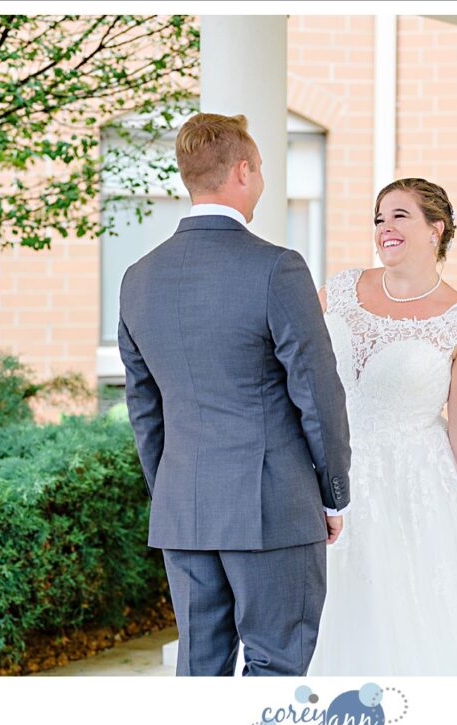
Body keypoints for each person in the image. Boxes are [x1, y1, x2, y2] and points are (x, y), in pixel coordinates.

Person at [117, 112, 352, 676]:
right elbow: (317, 392)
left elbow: (144, 409)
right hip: (271, 506)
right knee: (276, 665)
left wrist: (172, 490)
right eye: (263, 167)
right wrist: (333, 492)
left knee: (200, 668)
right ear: (242, 171)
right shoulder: (278, 268)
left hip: (185, 508)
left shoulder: (137, 277)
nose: (264, 180)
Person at [306, 178, 457, 676]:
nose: (384, 228)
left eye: (399, 216)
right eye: (378, 218)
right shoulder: (340, 291)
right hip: (328, 475)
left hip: (413, 490)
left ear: (435, 230)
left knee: (410, 620)